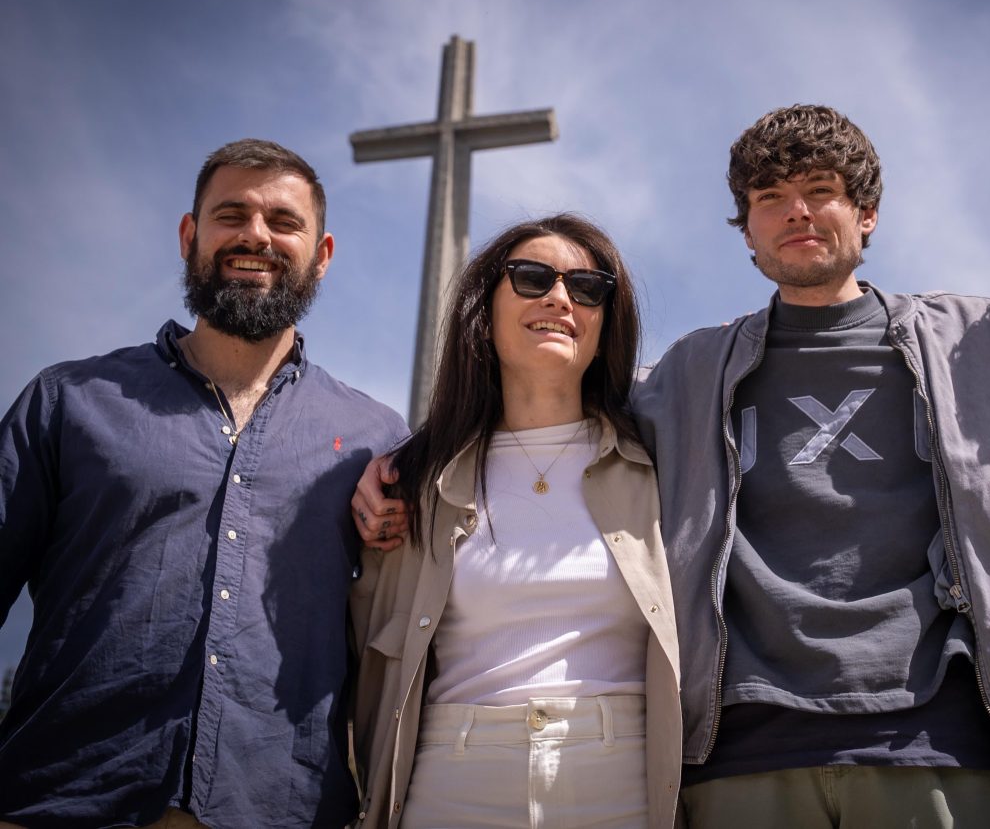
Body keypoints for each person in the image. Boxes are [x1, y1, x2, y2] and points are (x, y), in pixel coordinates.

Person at [630, 105, 990, 827]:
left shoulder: (982, 346)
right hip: (742, 748)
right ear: (746, 228)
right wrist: (399, 465)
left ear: (866, 211)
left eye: (819, 189)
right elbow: (549, 421)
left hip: (934, 737)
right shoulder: (687, 373)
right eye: (769, 198)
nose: (796, 212)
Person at [0, 140, 406, 828]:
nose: (256, 234)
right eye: (232, 214)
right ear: (190, 236)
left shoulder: (376, 439)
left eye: (283, 221)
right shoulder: (68, 401)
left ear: (323, 253)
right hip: (59, 803)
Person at [349, 215, 682, 828]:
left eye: (588, 287)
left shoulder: (660, 458)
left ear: (606, 320)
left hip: (621, 777)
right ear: (487, 306)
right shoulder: (417, 482)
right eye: (532, 278)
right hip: (452, 774)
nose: (560, 297)